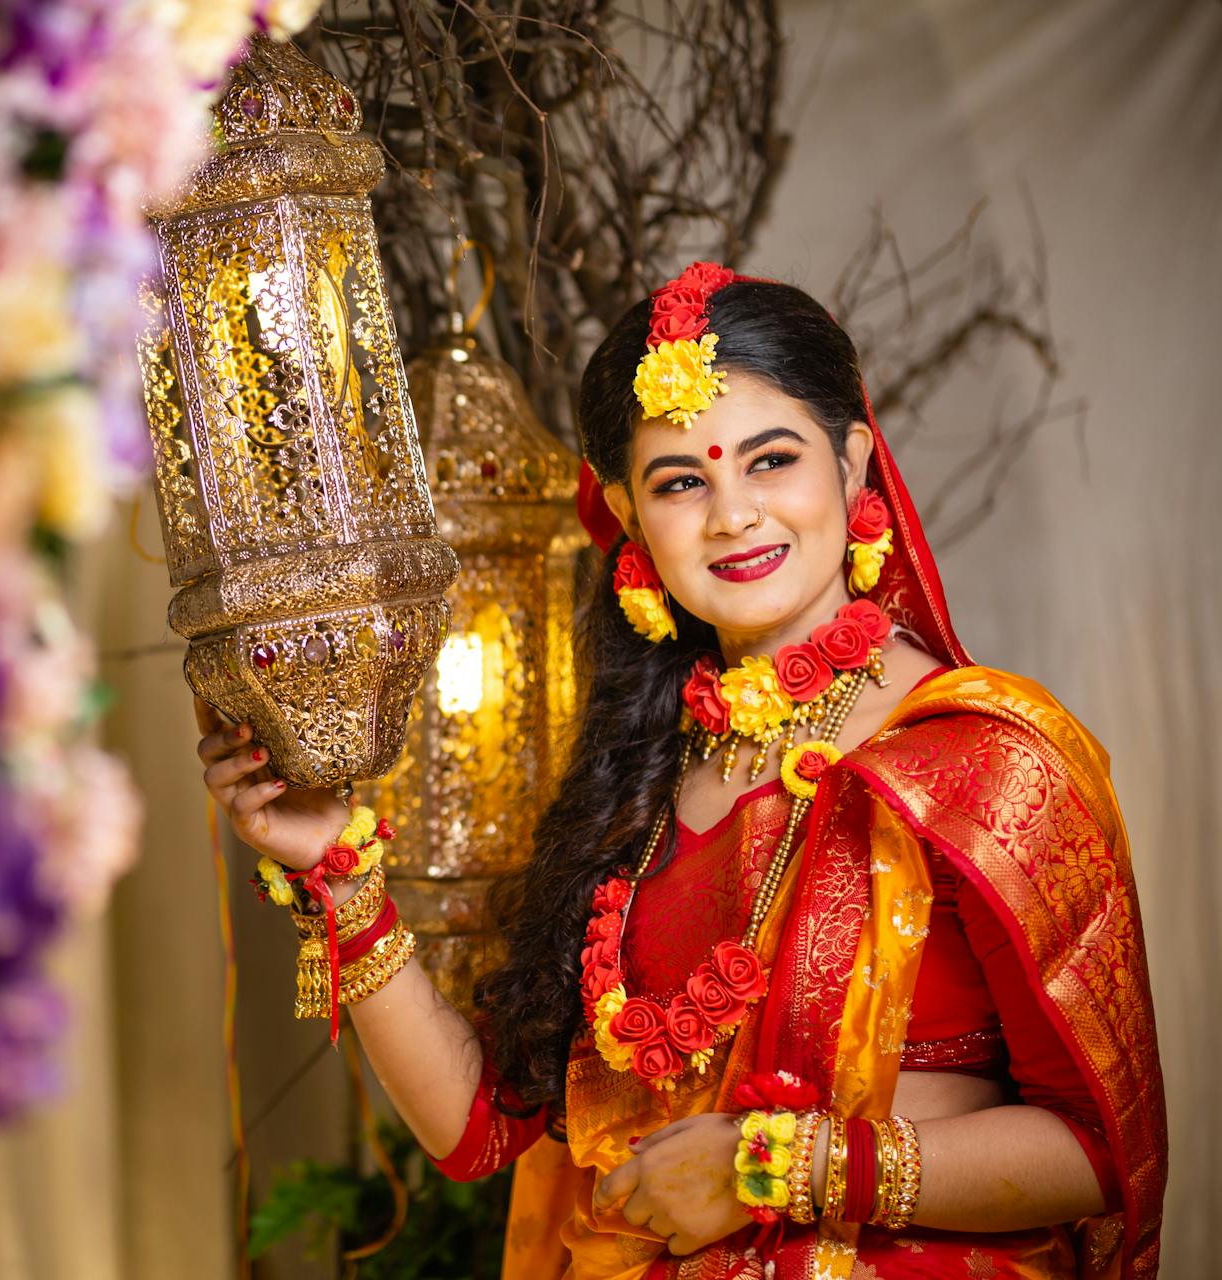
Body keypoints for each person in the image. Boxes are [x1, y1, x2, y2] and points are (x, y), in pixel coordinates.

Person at [194, 264, 1166, 1278]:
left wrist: (776, 1168)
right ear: (627, 516)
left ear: (853, 464)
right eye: (680, 481)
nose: (733, 514)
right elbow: (478, 1127)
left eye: (772, 459)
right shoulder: (635, 783)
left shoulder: (984, 760)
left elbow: (1097, 1148)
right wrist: (342, 878)